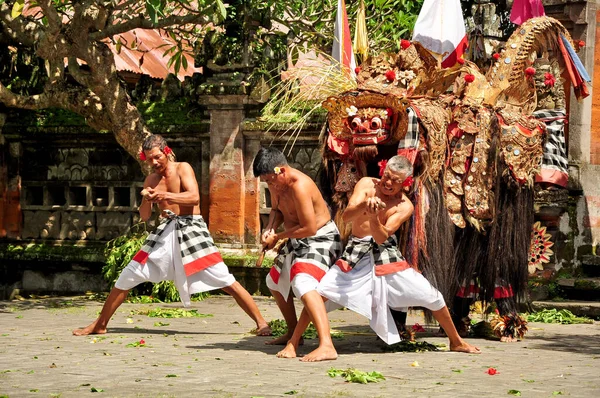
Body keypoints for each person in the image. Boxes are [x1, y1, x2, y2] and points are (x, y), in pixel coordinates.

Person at [277, 155, 480, 358]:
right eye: (387, 177)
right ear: (383, 171)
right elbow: (347, 216)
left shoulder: (404, 206)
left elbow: (382, 237)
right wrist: (365, 205)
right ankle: (294, 343)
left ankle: (456, 341)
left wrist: (374, 218)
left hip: (385, 255)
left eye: (395, 181)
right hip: (355, 253)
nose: (388, 183)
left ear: (405, 183)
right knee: (321, 292)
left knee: (432, 297)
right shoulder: (366, 184)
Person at [73, 134, 270, 336]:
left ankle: (262, 322)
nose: (154, 162)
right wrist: (147, 199)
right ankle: (101, 324)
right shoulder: (151, 179)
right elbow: (144, 216)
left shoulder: (182, 168)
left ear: (166, 152)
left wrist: (164, 195)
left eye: (157, 156)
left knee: (224, 278)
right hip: (165, 231)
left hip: (192, 229)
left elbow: (194, 198)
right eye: (149, 159)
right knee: (129, 273)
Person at [252, 147, 343, 361]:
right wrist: (269, 229)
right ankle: (294, 334)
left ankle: (327, 345)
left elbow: (309, 228)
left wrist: (279, 236)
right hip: (296, 239)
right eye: (266, 182)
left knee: (303, 283)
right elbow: (276, 211)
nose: (270, 185)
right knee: (273, 282)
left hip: (321, 239)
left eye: (271, 180)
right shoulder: (276, 184)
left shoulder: (300, 186)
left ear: (281, 170)